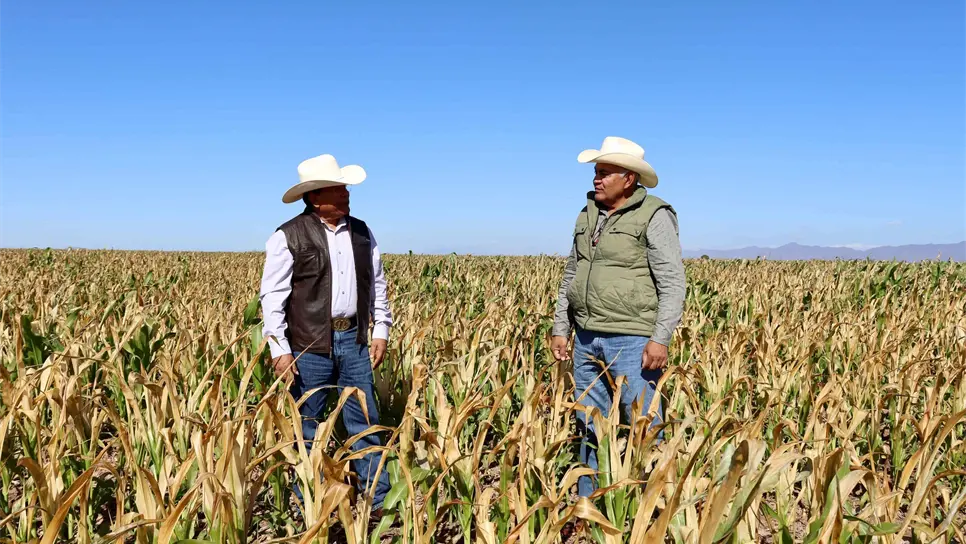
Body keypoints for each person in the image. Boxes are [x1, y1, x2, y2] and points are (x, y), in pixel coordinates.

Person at [551, 136, 686, 498]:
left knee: (643, 426)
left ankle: (651, 506)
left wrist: (661, 338)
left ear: (629, 179)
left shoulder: (654, 215)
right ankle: (588, 503)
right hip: (585, 338)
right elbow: (572, 273)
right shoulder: (587, 214)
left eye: (605, 173)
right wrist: (561, 326)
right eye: (596, 172)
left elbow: (672, 281)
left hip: (633, 340)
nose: (597, 179)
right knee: (589, 424)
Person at [259, 152, 392, 515]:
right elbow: (273, 296)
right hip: (308, 347)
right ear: (315, 197)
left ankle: (379, 501)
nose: (347, 193)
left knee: (364, 420)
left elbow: (377, 284)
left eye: (346, 188)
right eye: (339, 188)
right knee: (309, 427)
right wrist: (279, 350)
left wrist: (380, 328)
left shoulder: (363, 232)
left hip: (355, 341)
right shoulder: (288, 236)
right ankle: (308, 502)